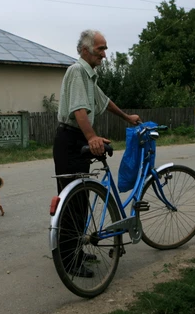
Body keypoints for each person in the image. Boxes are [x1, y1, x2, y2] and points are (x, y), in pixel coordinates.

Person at [53, 30, 141, 277]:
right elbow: (79, 110)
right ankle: (69, 261)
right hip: (70, 139)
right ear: (85, 51)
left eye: (105, 49)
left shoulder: (89, 76)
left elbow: (104, 102)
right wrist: (92, 137)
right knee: (72, 201)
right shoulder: (77, 71)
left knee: (81, 201)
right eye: (100, 49)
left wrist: (126, 117)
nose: (104, 54)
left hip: (75, 138)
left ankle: (76, 251)